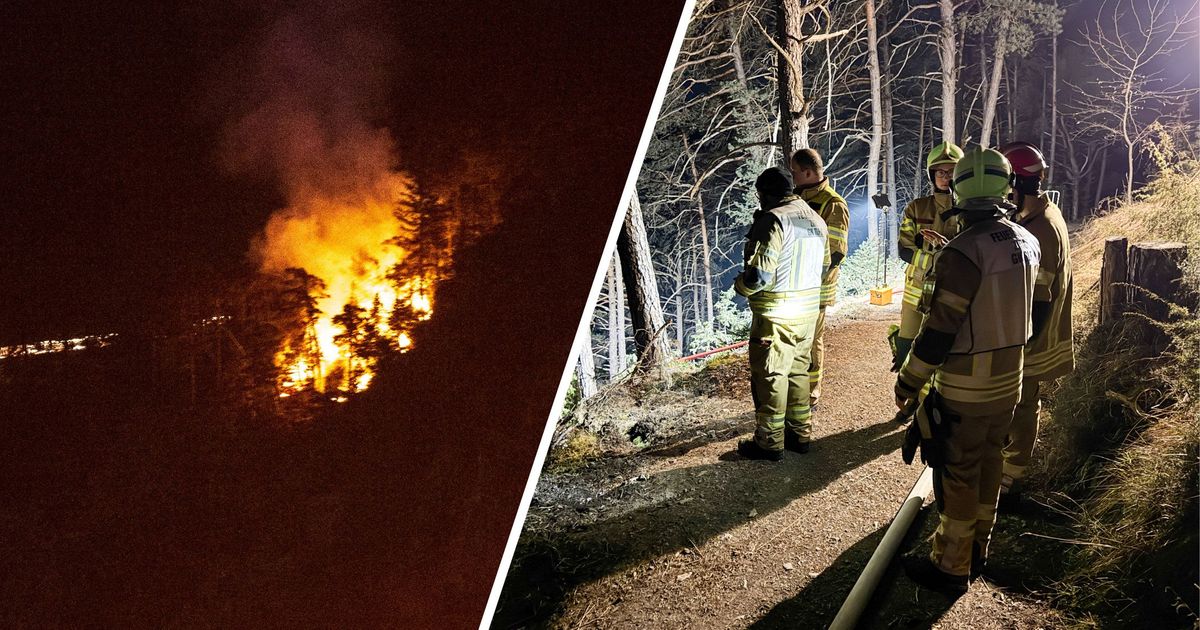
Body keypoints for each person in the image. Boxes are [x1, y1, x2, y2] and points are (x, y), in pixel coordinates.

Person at [895, 147, 1041, 594]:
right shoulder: (1025, 240)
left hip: (965, 390)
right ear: (1005, 187)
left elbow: (939, 331)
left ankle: (951, 567)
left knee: (957, 473)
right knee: (989, 464)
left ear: (958, 190)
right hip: (1009, 384)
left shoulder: (961, 253)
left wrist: (909, 380)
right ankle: (979, 548)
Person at [998, 141, 1075, 507]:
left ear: (1018, 182)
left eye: (1004, 183)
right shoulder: (1037, 215)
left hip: (1035, 336)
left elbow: (1039, 298)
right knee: (1021, 401)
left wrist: (1021, 340)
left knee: (1024, 402)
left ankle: (1013, 472)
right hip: (1032, 331)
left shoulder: (1042, 227)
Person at [734, 166, 830, 460]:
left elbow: (758, 277)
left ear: (765, 194)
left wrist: (740, 285)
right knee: (799, 373)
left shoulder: (773, 219)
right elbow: (825, 267)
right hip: (806, 315)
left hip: (775, 317)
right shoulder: (816, 219)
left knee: (770, 376)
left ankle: (769, 443)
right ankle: (800, 435)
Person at [894, 142, 964, 371]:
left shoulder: (968, 209)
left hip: (954, 290)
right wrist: (936, 260)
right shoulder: (917, 208)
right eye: (940, 172)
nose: (945, 177)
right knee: (907, 343)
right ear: (932, 175)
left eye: (951, 171)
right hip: (917, 289)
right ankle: (907, 400)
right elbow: (904, 249)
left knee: (946, 348)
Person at [789, 148, 849, 408]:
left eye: (794, 172)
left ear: (808, 172)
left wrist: (809, 278)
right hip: (792, 287)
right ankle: (794, 390)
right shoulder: (796, 198)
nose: (792, 178)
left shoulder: (833, 204)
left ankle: (810, 395)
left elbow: (836, 253)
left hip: (815, 289)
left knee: (812, 342)